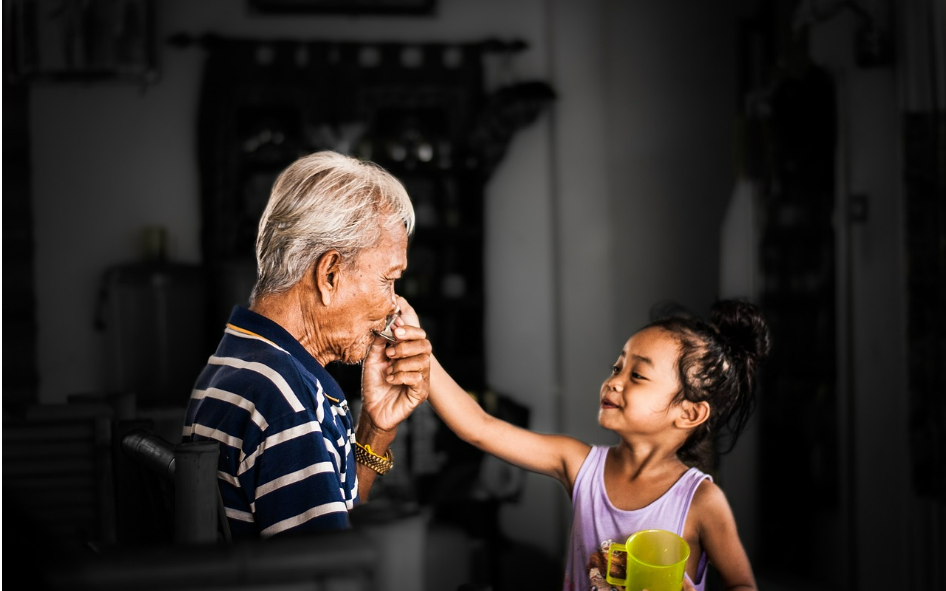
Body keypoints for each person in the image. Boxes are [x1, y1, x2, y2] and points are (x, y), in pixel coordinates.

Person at [388, 297, 770, 590]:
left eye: (637, 375)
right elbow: (480, 427)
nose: (614, 381)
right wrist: (422, 355)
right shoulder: (579, 464)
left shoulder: (701, 502)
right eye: (617, 367)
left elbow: (743, 585)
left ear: (688, 414)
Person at [182, 150, 432, 538]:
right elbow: (328, 573)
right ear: (329, 273)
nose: (393, 306)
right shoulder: (286, 401)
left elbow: (331, 536)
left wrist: (376, 428)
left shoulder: (237, 358)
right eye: (388, 280)